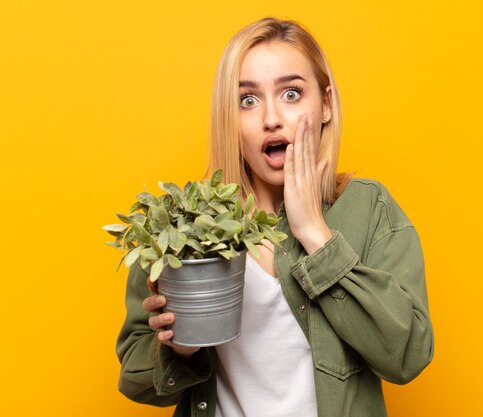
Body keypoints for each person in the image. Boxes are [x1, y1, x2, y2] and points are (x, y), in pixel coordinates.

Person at [116, 17, 434, 417]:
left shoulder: (369, 210)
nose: (271, 118)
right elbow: (134, 375)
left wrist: (315, 234)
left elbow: (408, 355)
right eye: (247, 100)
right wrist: (179, 345)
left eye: (291, 93)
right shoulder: (184, 225)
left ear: (325, 105)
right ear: (230, 119)